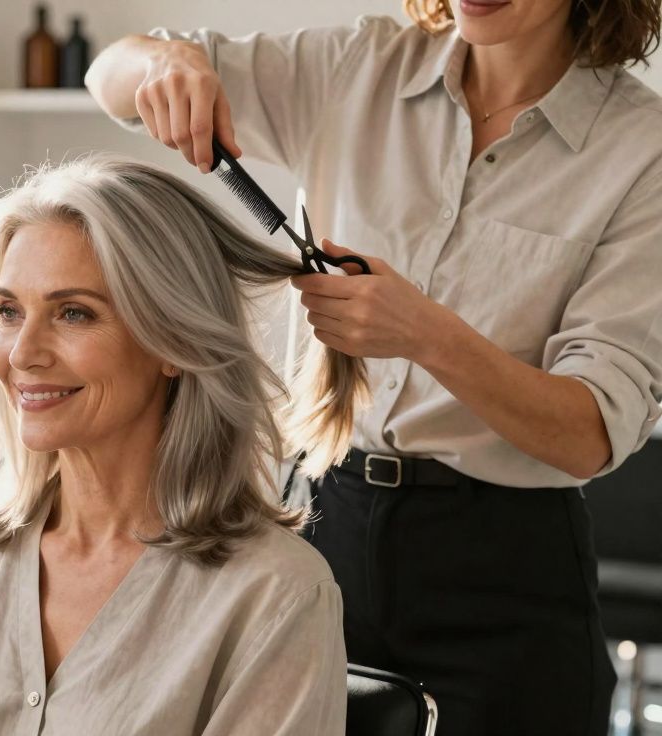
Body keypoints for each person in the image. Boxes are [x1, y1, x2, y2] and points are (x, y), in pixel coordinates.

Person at [85, 1, 662, 733]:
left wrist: (428, 334)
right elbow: (110, 73)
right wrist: (165, 63)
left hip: (507, 568)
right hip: (323, 526)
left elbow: (590, 433)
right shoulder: (357, 70)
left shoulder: (643, 150)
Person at [0, 155, 359, 735]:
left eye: (73, 313)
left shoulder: (276, 595)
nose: (23, 353)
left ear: (172, 342)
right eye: (7, 311)